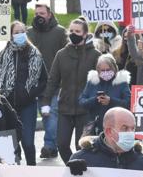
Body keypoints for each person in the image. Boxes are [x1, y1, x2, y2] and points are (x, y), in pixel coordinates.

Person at [41, 18, 100, 162]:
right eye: (72, 31)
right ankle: (71, 166)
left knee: (82, 147)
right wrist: (46, 102)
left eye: (78, 31)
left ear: (85, 34)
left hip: (85, 110)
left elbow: (100, 82)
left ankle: (82, 172)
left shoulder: (95, 55)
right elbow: (53, 80)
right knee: (61, 144)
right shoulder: (61, 54)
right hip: (65, 108)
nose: (74, 34)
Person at [0, 22, 48, 165]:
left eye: (22, 31)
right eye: (16, 32)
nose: (19, 34)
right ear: (11, 35)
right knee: (12, 143)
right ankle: (15, 171)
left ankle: (31, 169)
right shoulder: (2, 55)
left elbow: (44, 80)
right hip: (8, 105)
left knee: (28, 143)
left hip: (28, 105)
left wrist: (30, 93)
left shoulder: (35, 54)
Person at [28, 4, 67, 159]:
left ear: (49, 14)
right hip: (33, 85)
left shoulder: (60, 32)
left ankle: (49, 146)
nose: (39, 16)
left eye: (42, 13)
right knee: (44, 116)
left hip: (54, 84)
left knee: (50, 115)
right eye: (37, 13)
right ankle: (52, 145)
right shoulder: (28, 33)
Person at [79, 54, 131, 136]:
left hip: (115, 127)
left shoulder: (122, 82)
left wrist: (111, 101)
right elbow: (82, 102)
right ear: (98, 70)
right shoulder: (92, 82)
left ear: (114, 68)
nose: (106, 73)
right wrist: (95, 100)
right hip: (94, 127)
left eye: (108, 70)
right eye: (102, 71)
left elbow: (128, 103)